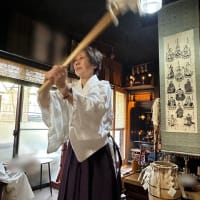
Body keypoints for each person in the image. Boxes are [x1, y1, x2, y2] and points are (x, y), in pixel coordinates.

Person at [37, 46, 122, 200]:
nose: (76, 62)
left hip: (97, 153)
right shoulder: (73, 88)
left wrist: (63, 88)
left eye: (81, 58)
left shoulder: (103, 87)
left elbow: (92, 108)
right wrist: (47, 82)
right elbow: (48, 103)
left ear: (95, 64)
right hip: (74, 154)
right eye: (75, 60)